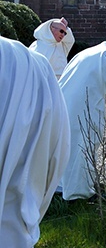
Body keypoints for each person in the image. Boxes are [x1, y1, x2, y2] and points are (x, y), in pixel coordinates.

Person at [0, 36, 70, 247]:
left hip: (33, 108)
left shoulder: (32, 63)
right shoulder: (33, 58)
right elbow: (57, 150)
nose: (61, 35)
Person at [58, 34, 106, 201]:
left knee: (69, 147)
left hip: (68, 102)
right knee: (83, 147)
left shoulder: (90, 51)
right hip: (84, 106)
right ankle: (79, 191)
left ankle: (64, 184)